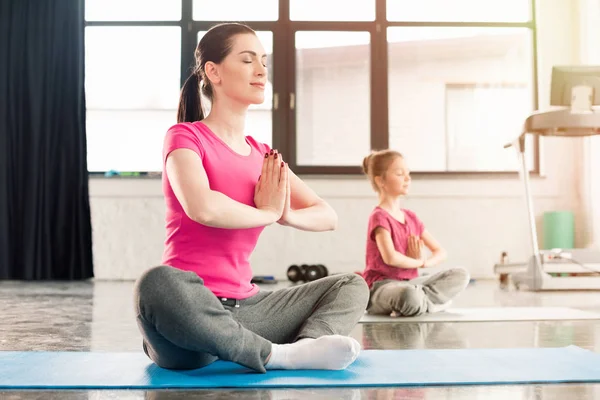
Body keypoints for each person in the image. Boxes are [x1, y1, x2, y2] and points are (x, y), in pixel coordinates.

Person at [132, 22, 370, 374]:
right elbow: (203, 207)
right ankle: (280, 356)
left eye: (263, 61)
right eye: (247, 60)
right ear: (213, 71)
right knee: (156, 283)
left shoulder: (263, 156)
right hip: (190, 319)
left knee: (351, 284)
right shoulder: (185, 137)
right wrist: (268, 211)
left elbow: (327, 215)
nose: (261, 70)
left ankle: (308, 346)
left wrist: (286, 214)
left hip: (250, 311)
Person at [361, 149, 470, 317]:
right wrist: (417, 262)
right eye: (399, 174)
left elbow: (440, 252)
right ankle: (430, 304)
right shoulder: (379, 217)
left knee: (461, 275)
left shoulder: (411, 217)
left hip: (412, 283)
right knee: (408, 295)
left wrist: (424, 263)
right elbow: (391, 258)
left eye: (408, 173)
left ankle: (418, 304)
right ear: (380, 180)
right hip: (382, 287)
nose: (407, 178)